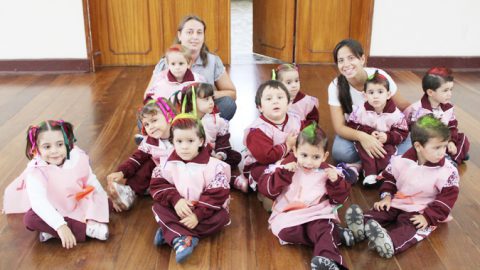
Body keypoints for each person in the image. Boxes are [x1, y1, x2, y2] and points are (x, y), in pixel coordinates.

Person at [345, 115, 459, 258]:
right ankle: (359, 226)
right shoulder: (400, 161)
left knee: (410, 226)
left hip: (422, 210)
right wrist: (386, 197)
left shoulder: (447, 172)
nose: (442, 152)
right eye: (437, 147)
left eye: (444, 146)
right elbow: (390, 178)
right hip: (398, 201)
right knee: (381, 211)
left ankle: (390, 243)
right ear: (418, 146)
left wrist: (428, 217)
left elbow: (447, 199)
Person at [257, 123, 353, 270]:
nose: (308, 162)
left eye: (315, 157)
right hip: (290, 215)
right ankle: (334, 234)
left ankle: (332, 263)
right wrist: (283, 175)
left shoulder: (329, 172)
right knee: (285, 233)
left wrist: (336, 181)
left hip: (317, 214)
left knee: (321, 228)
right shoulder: (284, 166)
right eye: (304, 155)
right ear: (295, 151)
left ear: (324, 156)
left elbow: (339, 199)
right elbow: (266, 189)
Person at [3, 120, 109, 249]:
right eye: (47, 147)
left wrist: (102, 197)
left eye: (59, 144)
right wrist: (60, 226)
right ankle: (86, 229)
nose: (54, 151)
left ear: (67, 143)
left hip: (77, 200)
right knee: (30, 219)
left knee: (103, 199)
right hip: (53, 207)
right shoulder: (36, 171)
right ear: (37, 149)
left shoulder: (77, 156)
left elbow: (90, 179)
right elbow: (39, 203)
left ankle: (51, 232)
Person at [150, 115, 231, 263]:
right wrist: (176, 200)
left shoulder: (213, 166)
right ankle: (182, 236)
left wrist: (198, 215)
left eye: (190, 141)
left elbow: (217, 194)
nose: (184, 146)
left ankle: (172, 231)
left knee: (222, 217)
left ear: (200, 141)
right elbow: (158, 185)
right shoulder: (167, 164)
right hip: (180, 207)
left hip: (204, 211)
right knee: (157, 207)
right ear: (172, 142)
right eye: (179, 141)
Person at [328, 39, 411, 167]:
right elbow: (339, 127)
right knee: (340, 152)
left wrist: (425, 121)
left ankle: (365, 163)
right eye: (341, 60)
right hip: (359, 132)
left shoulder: (379, 76)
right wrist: (363, 137)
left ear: (362, 59)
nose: (346, 64)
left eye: (351, 58)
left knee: (410, 148)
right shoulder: (335, 86)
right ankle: (381, 161)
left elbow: (403, 106)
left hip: (387, 133)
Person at [148, 15, 237, 120]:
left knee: (228, 104)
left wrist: (204, 95)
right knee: (145, 116)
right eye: (190, 32)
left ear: (203, 37)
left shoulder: (213, 61)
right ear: (180, 35)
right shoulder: (165, 62)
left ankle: (199, 132)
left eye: (199, 32)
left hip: (202, 115)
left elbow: (232, 94)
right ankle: (178, 132)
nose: (195, 37)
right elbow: (149, 97)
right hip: (173, 114)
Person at [106, 98, 176, 211]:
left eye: (154, 120)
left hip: (180, 175)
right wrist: (121, 172)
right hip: (160, 175)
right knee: (146, 164)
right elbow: (136, 158)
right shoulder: (150, 141)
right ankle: (128, 192)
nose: (151, 127)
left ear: (168, 116)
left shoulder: (181, 132)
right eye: (147, 124)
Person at [234, 80, 301, 193]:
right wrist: (287, 145)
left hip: (286, 161)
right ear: (260, 107)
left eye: (280, 97)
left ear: (289, 103)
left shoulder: (296, 121)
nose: (275, 101)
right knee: (261, 172)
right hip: (261, 164)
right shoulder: (257, 130)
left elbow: (306, 140)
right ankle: (243, 181)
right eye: (269, 99)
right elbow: (266, 156)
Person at [347, 70, 408, 186]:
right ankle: (369, 174)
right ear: (365, 95)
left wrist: (387, 137)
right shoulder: (360, 110)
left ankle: (383, 173)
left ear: (388, 94)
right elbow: (352, 124)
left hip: (386, 141)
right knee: (365, 150)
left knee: (388, 152)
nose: (375, 96)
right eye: (371, 92)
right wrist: (369, 132)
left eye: (380, 92)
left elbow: (403, 132)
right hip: (366, 140)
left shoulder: (395, 114)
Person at [403, 67, 470, 165]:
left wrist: (451, 141)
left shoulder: (448, 107)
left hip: (443, 138)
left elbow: (452, 126)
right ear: (430, 92)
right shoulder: (418, 109)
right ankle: (450, 156)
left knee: (463, 138)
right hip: (425, 140)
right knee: (410, 147)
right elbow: (416, 134)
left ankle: (453, 159)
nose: (449, 94)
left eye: (451, 90)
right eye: (445, 90)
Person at [173, 83, 241, 168]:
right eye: (206, 99)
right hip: (192, 154)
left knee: (235, 156)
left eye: (212, 98)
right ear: (192, 100)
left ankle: (212, 165)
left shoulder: (216, 119)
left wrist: (220, 155)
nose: (211, 102)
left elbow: (222, 139)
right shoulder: (185, 121)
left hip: (212, 153)